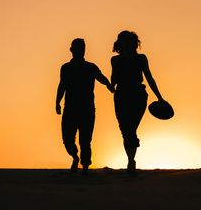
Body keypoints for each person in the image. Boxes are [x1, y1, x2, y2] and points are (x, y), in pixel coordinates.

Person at [56, 38, 114, 175]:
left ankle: (85, 167)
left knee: (85, 140)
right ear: (71, 50)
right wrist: (57, 102)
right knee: (67, 139)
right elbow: (62, 85)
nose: (80, 50)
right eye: (77, 48)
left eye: (82, 47)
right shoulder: (66, 68)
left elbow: (100, 77)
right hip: (70, 108)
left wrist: (108, 85)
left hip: (87, 109)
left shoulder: (90, 67)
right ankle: (75, 157)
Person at [110, 31, 165, 174]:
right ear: (120, 43)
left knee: (130, 128)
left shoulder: (141, 58)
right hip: (121, 95)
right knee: (125, 129)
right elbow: (113, 79)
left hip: (138, 95)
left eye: (129, 40)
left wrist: (159, 97)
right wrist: (111, 85)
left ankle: (130, 161)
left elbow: (149, 78)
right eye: (124, 40)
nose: (127, 43)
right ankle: (131, 161)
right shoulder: (115, 60)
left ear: (134, 43)